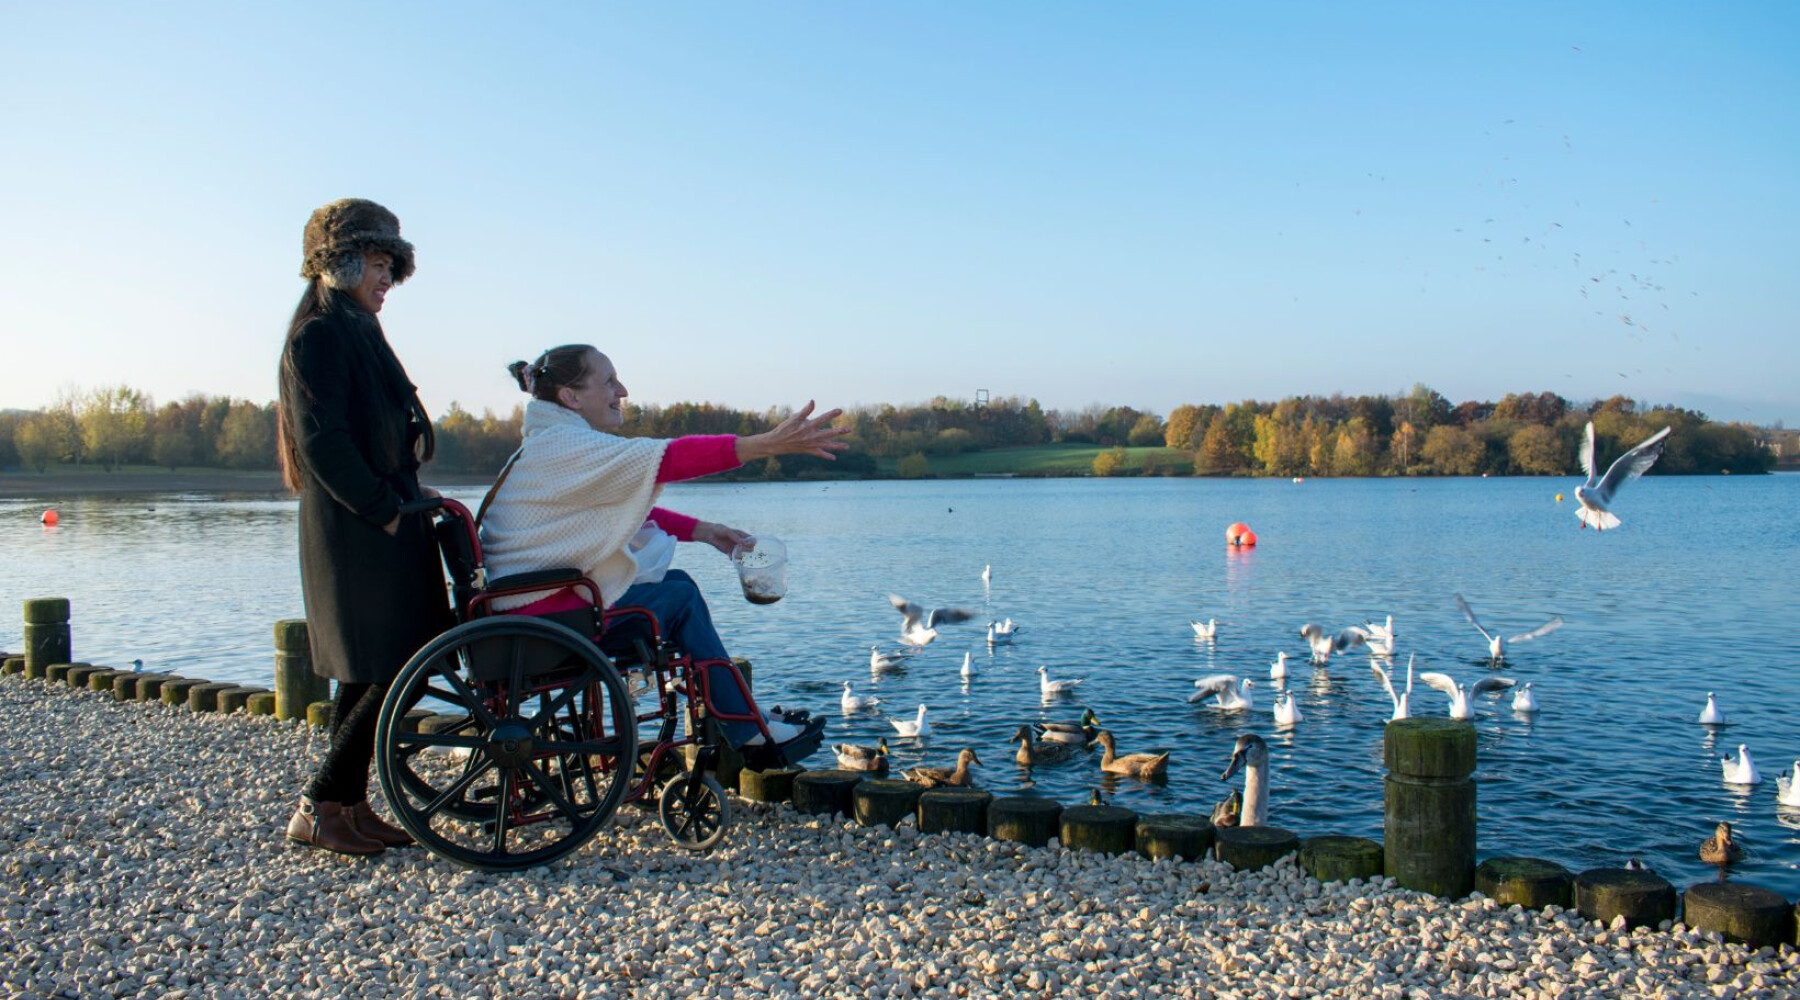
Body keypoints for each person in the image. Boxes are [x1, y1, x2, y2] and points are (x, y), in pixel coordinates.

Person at [478, 344, 849, 755]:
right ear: (570, 397)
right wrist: (768, 444)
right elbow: (670, 458)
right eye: (608, 381)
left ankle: (743, 713)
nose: (622, 390)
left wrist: (706, 531)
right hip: (544, 624)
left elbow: (622, 511)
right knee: (679, 594)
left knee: (673, 586)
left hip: (530, 612)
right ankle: (748, 732)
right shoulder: (565, 447)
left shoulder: (552, 444)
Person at [276, 199, 452, 856]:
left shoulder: (355, 326)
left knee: (366, 672)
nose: (386, 281)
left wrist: (408, 492)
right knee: (393, 662)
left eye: (389, 267)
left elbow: (375, 432)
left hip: (381, 518)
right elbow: (324, 443)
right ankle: (320, 806)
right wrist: (382, 508)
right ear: (342, 263)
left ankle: (348, 805)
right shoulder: (320, 334)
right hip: (356, 531)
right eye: (378, 265)